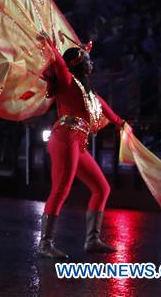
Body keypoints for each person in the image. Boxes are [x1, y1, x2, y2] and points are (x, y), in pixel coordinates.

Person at [37, 35, 124, 259]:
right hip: (65, 138)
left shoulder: (88, 93)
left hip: (77, 141)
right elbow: (59, 63)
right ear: (77, 63)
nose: (92, 62)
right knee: (60, 190)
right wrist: (50, 45)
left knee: (101, 188)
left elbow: (104, 108)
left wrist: (120, 124)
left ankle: (92, 240)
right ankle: (45, 244)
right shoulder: (66, 81)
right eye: (87, 58)